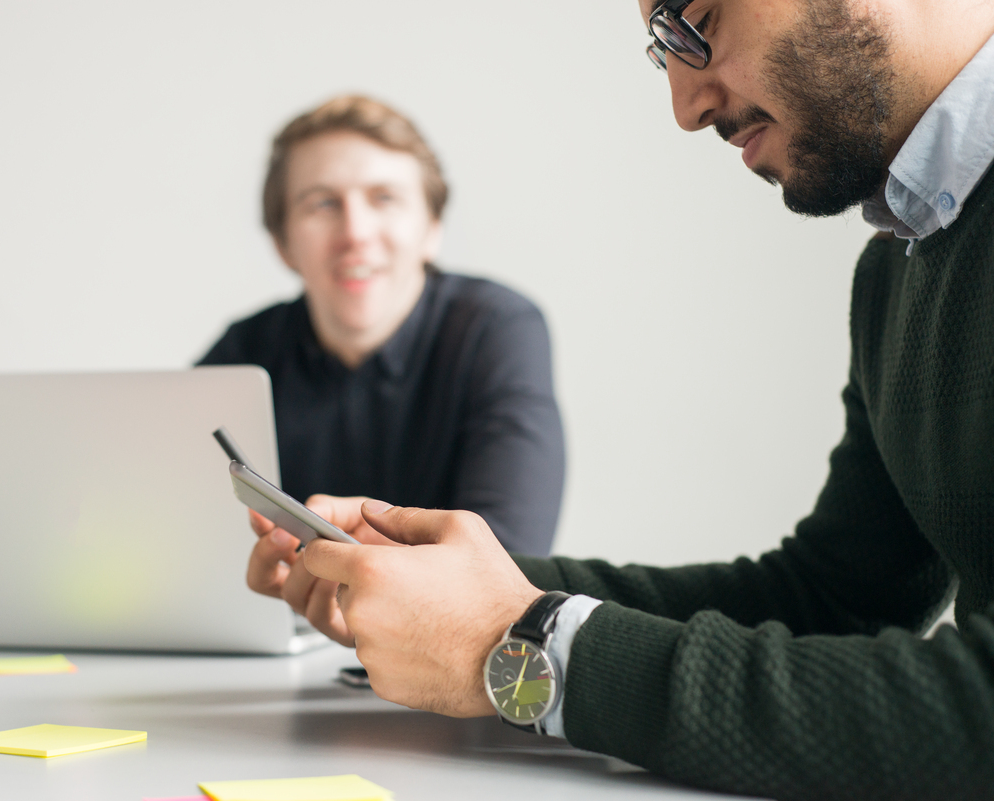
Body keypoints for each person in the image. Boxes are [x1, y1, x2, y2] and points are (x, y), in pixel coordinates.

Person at [244, 2, 994, 799]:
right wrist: (441, 590)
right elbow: (834, 596)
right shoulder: (899, 267)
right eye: (662, 46)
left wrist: (526, 646)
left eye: (697, 18)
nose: (684, 104)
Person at [199, 95, 564, 557]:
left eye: (384, 198)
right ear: (283, 244)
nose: (355, 232)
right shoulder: (243, 352)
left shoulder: (495, 329)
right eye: (322, 203)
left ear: (432, 229)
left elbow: (509, 559)